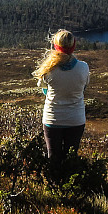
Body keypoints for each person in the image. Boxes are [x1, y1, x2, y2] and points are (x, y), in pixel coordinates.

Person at [32, 29, 90, 174]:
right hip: (76, 120)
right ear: (73, 46)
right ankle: (71, 186)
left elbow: (43, 88)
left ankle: (54, 188)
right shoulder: (83, 68)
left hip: (53, 119)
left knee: (53, 157)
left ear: (55, 46)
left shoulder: (49, 70)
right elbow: (84, 88)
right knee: (71, 156)